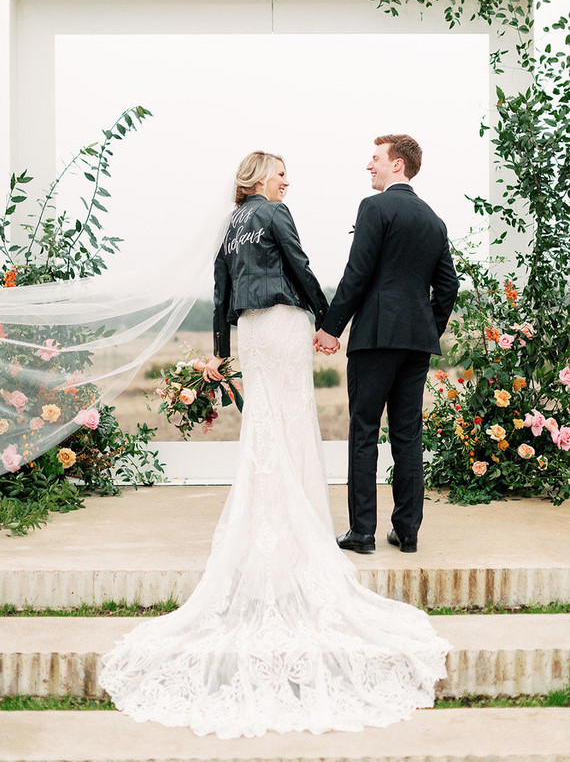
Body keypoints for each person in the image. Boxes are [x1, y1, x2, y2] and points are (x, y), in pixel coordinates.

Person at [99, 150, 450, 739]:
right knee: (348, 429)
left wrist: (221, 350)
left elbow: (220, 290)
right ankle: (385, 527)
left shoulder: (231, 225)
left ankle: (332, 524)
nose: (288, 180)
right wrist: (325, 316)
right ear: (262, 176)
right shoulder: (284, 214)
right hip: (306, 325)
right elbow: (303, 263)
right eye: (281, 171)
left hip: (250, 331)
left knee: (283, 426)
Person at [314, 134, 459, 555]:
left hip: (375, 338)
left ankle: (362, 533)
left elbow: (357, 274)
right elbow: (447, 286)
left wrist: (330, 327)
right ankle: (408, 531)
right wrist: (422, 328)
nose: (369, 165)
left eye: (375, 158)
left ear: (397, 165)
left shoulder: (374, 207)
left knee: (363, 431)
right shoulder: (434, 220)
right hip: (416, 345)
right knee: (407, 435)